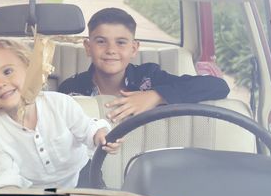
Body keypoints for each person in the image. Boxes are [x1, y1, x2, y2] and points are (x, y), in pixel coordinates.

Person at [0, 39, 121, 189]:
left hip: (82, 175)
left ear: (31, 70)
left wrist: (100, 135)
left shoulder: (60, 104)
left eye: (7, 71)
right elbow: (6, 175)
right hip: (36, 190)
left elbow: (88, 129)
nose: (0, 83)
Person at [58, 8, 230, 123]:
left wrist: (155, 96)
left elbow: (218, 86)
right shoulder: (71, 89)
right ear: (88, 47)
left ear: (134, 49)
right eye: (101, 41)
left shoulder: (149, 78)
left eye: (121, 42)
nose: (111, 50)